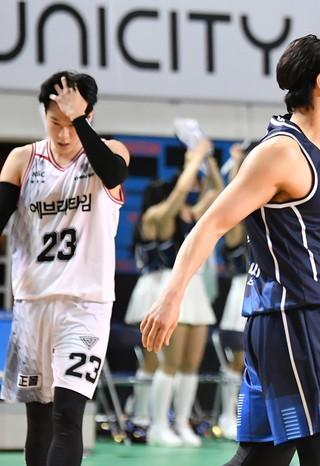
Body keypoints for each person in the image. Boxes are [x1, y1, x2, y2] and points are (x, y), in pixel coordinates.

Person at [139, 23, 320, 464]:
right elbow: (210, 225)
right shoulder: (282, 153)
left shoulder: (315, 138)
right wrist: (171, 297)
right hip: (302, 319)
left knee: (262, 457)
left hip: (285, 321)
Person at [0, 71, 130, 466]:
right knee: (38, 421)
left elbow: (114, 173)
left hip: (85, 305)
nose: (62, 133)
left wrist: (78, 121)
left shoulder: (110, 151)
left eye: (72, 123)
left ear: (89, 116)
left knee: (68, 416)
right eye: (54, 121)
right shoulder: (22, 159)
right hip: (33, 304)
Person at [124, 139, 221, 447]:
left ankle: (180, 423)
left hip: (192, 288)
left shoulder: (187, 216)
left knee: (190, 363)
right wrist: (193, 161)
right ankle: (154, 423)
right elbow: (179, 193)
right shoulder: (156, 217)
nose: (183, 195)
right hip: (163, 287)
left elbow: (217, 194)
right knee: (167, 361)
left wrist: (208, 162)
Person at [216, 141, 257, 440]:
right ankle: (227, 415)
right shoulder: (237, 224)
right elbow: (231, 199)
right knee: (239, 358)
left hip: (266, 287)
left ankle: (249, 415)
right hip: (242, 289)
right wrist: (237, 168)